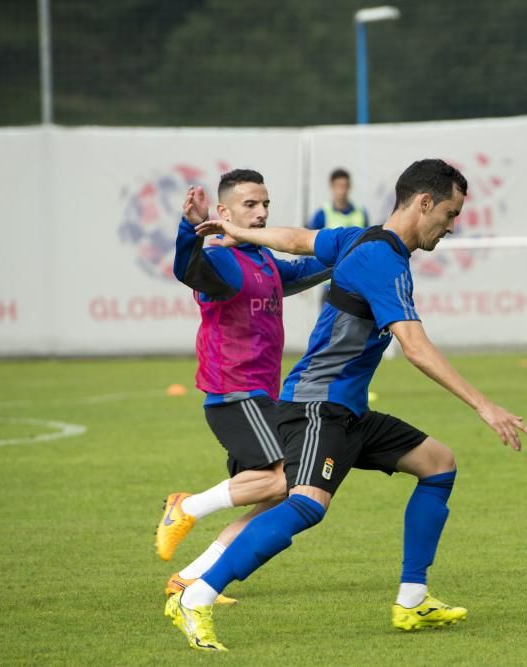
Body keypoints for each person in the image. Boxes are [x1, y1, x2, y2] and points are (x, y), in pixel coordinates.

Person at [164, 159, 527, 652]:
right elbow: (416, 349)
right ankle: (198, 595)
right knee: (306, 504)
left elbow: (298, 240)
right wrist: (486, 407)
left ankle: (412, 600)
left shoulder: (360, 238)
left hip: (348, 409)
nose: (451, 226)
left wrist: (238, 229)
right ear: (424, 203)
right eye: (449, 213)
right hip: (318, 404)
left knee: (439, 464)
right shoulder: (384, 260)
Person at [158, 169, 330, 605]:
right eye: (250, 205)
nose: (261, 213)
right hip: (234, 394)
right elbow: (187, 267)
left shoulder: (263, 260)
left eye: (265, 204)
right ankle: (187, 507)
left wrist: (352, 249)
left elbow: (308, 269)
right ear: (223, 212)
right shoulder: (219, 262)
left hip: (261, 399)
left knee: (279, 494)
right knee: (285, 482)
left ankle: (192, 579)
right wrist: (188, 230)